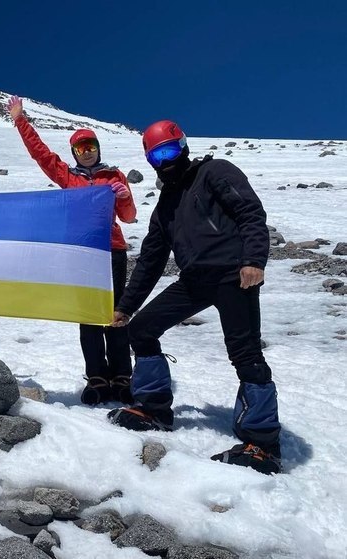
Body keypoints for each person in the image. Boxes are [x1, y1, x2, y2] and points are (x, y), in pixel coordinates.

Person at [107, 120, 282, 475]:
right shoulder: (165, 207)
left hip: (234, 274)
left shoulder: (215, 172)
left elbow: (250, 212)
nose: (166, 160)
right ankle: (154, 408)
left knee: (244, 352)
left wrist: (252, 260)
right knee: (141, 330)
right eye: (157, 155)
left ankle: (262, 443)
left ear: (183, 147)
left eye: (170, 150)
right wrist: (125, 307)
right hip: (194, 280)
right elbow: (151, 262)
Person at [6, 95, 137, 405]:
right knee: (89, 315)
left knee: (117, 313)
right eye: (80, 149)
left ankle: (121, 377)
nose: (87, 153)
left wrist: (123, 196)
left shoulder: (114, 176)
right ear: (75, 153)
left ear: (98, 149)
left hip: (113, 251)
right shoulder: (68, 177)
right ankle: (96, 377)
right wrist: (21, 121)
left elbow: (129, 217)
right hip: (83, 255)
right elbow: (41, 155)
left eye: (90, 147)